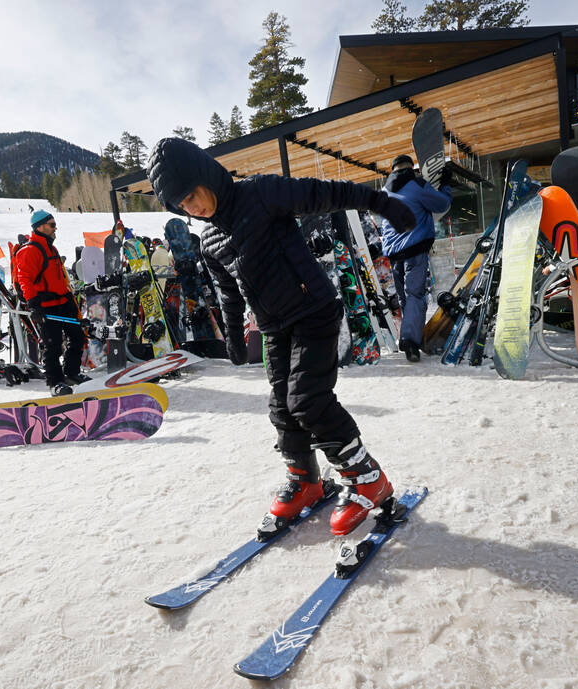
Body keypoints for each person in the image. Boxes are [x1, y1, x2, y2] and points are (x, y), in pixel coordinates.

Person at [146, 136, 416, 536]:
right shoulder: (210, 241)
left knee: (308, 400)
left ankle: (366, 477)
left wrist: (384, 204)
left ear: (204, 176)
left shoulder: (259, 193)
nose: (194, 208)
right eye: (183, 205)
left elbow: (325, 193)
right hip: (274, 328)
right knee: (281, 408)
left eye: (192, 195)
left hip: (313, 313)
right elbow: (227, 291)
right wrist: (234, 338)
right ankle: (305, 480)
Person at [379, 153, 452, 362]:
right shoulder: (416, 185)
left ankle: (409, 335)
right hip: (414, 249)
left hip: (393, 253)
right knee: (416, 295)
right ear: (411, 168)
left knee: (405, 298)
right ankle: (410, 341)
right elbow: (441, 204)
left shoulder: (384, 191)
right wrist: (445, 184)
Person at [16, 210, 88, 395]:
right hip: (47, 306)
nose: (55, 228)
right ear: (39, 227)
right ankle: (55, 382)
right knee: (52, 345)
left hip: (64, 302)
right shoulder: (30, 250)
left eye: (54, 224)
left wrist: (70, 299)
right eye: (52, 224)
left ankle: (71, 373)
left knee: (78, 337)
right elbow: (24, 278)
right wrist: (33, 305)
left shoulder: (51, 248)